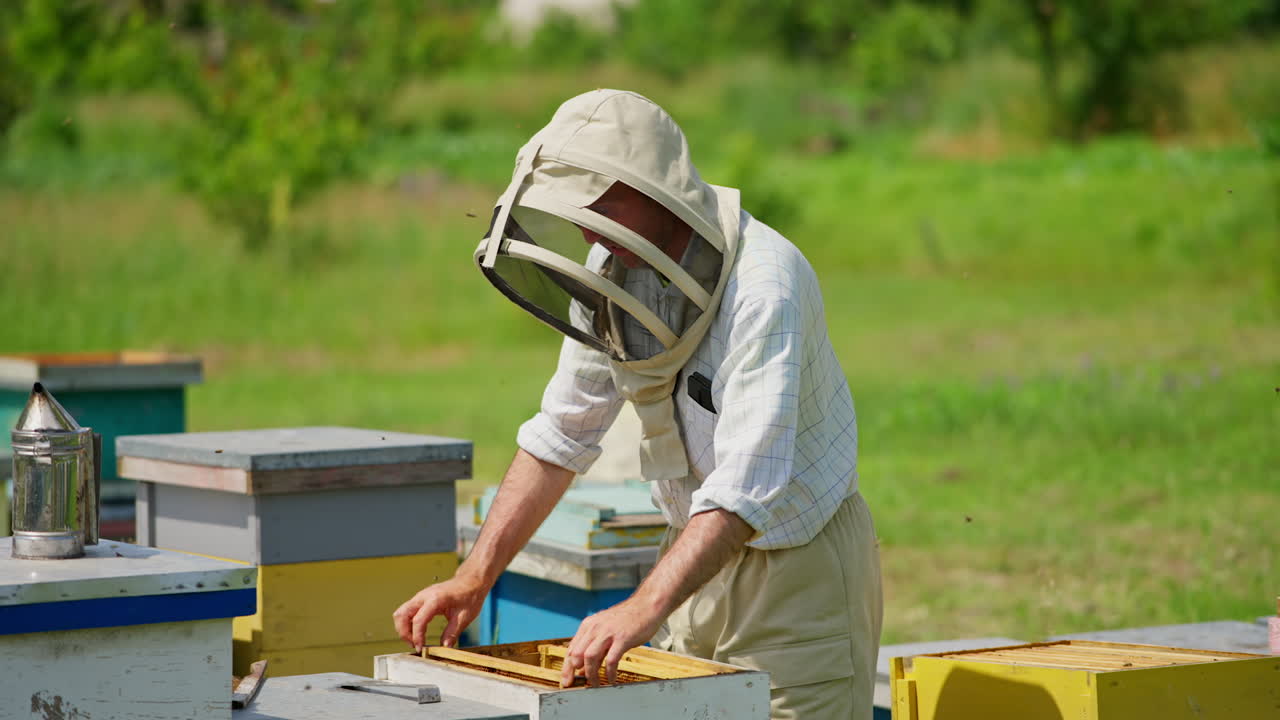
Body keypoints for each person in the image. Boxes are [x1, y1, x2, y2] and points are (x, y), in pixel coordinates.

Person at [393, 89, 883, 720]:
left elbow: (744, 493)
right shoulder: (612, 270)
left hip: (797, 570)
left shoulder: (766, 287)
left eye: (600, 198)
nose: (584, 221)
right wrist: (474, 576)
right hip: (692, 553)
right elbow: (562, 432)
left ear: (657, 187)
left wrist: (642, 606)